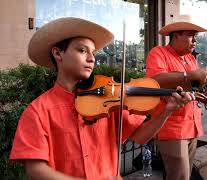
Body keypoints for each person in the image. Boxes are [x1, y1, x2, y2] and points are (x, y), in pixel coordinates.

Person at [9, 17, 195, 180]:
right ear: (58, 54)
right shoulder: (37, 111)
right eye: (82, 50)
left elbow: (140, 136)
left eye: (93, 53)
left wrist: (166, 111)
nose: (91, 58)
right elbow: (36, 170)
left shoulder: (108, 98)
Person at [146, 15, 207, 180]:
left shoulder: (190, 58)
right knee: (180, 176)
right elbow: (155, 80)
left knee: (185, 175)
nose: (195, 40)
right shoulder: (158, 52)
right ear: (176, 35)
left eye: (195, 36)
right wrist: (188, 74)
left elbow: (201, 91)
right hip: (171, 127)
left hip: (192, 126)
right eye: (191, 35)